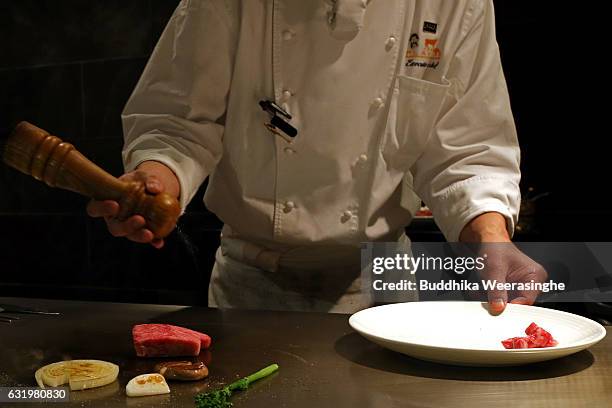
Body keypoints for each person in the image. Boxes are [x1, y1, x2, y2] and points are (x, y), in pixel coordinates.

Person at [87, 0, 546, 313]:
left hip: (387, 279)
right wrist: (158, 177)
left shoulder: (453, 4)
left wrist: (490, 236)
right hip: (254, 285)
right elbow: (179, 120)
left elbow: (467, 145)